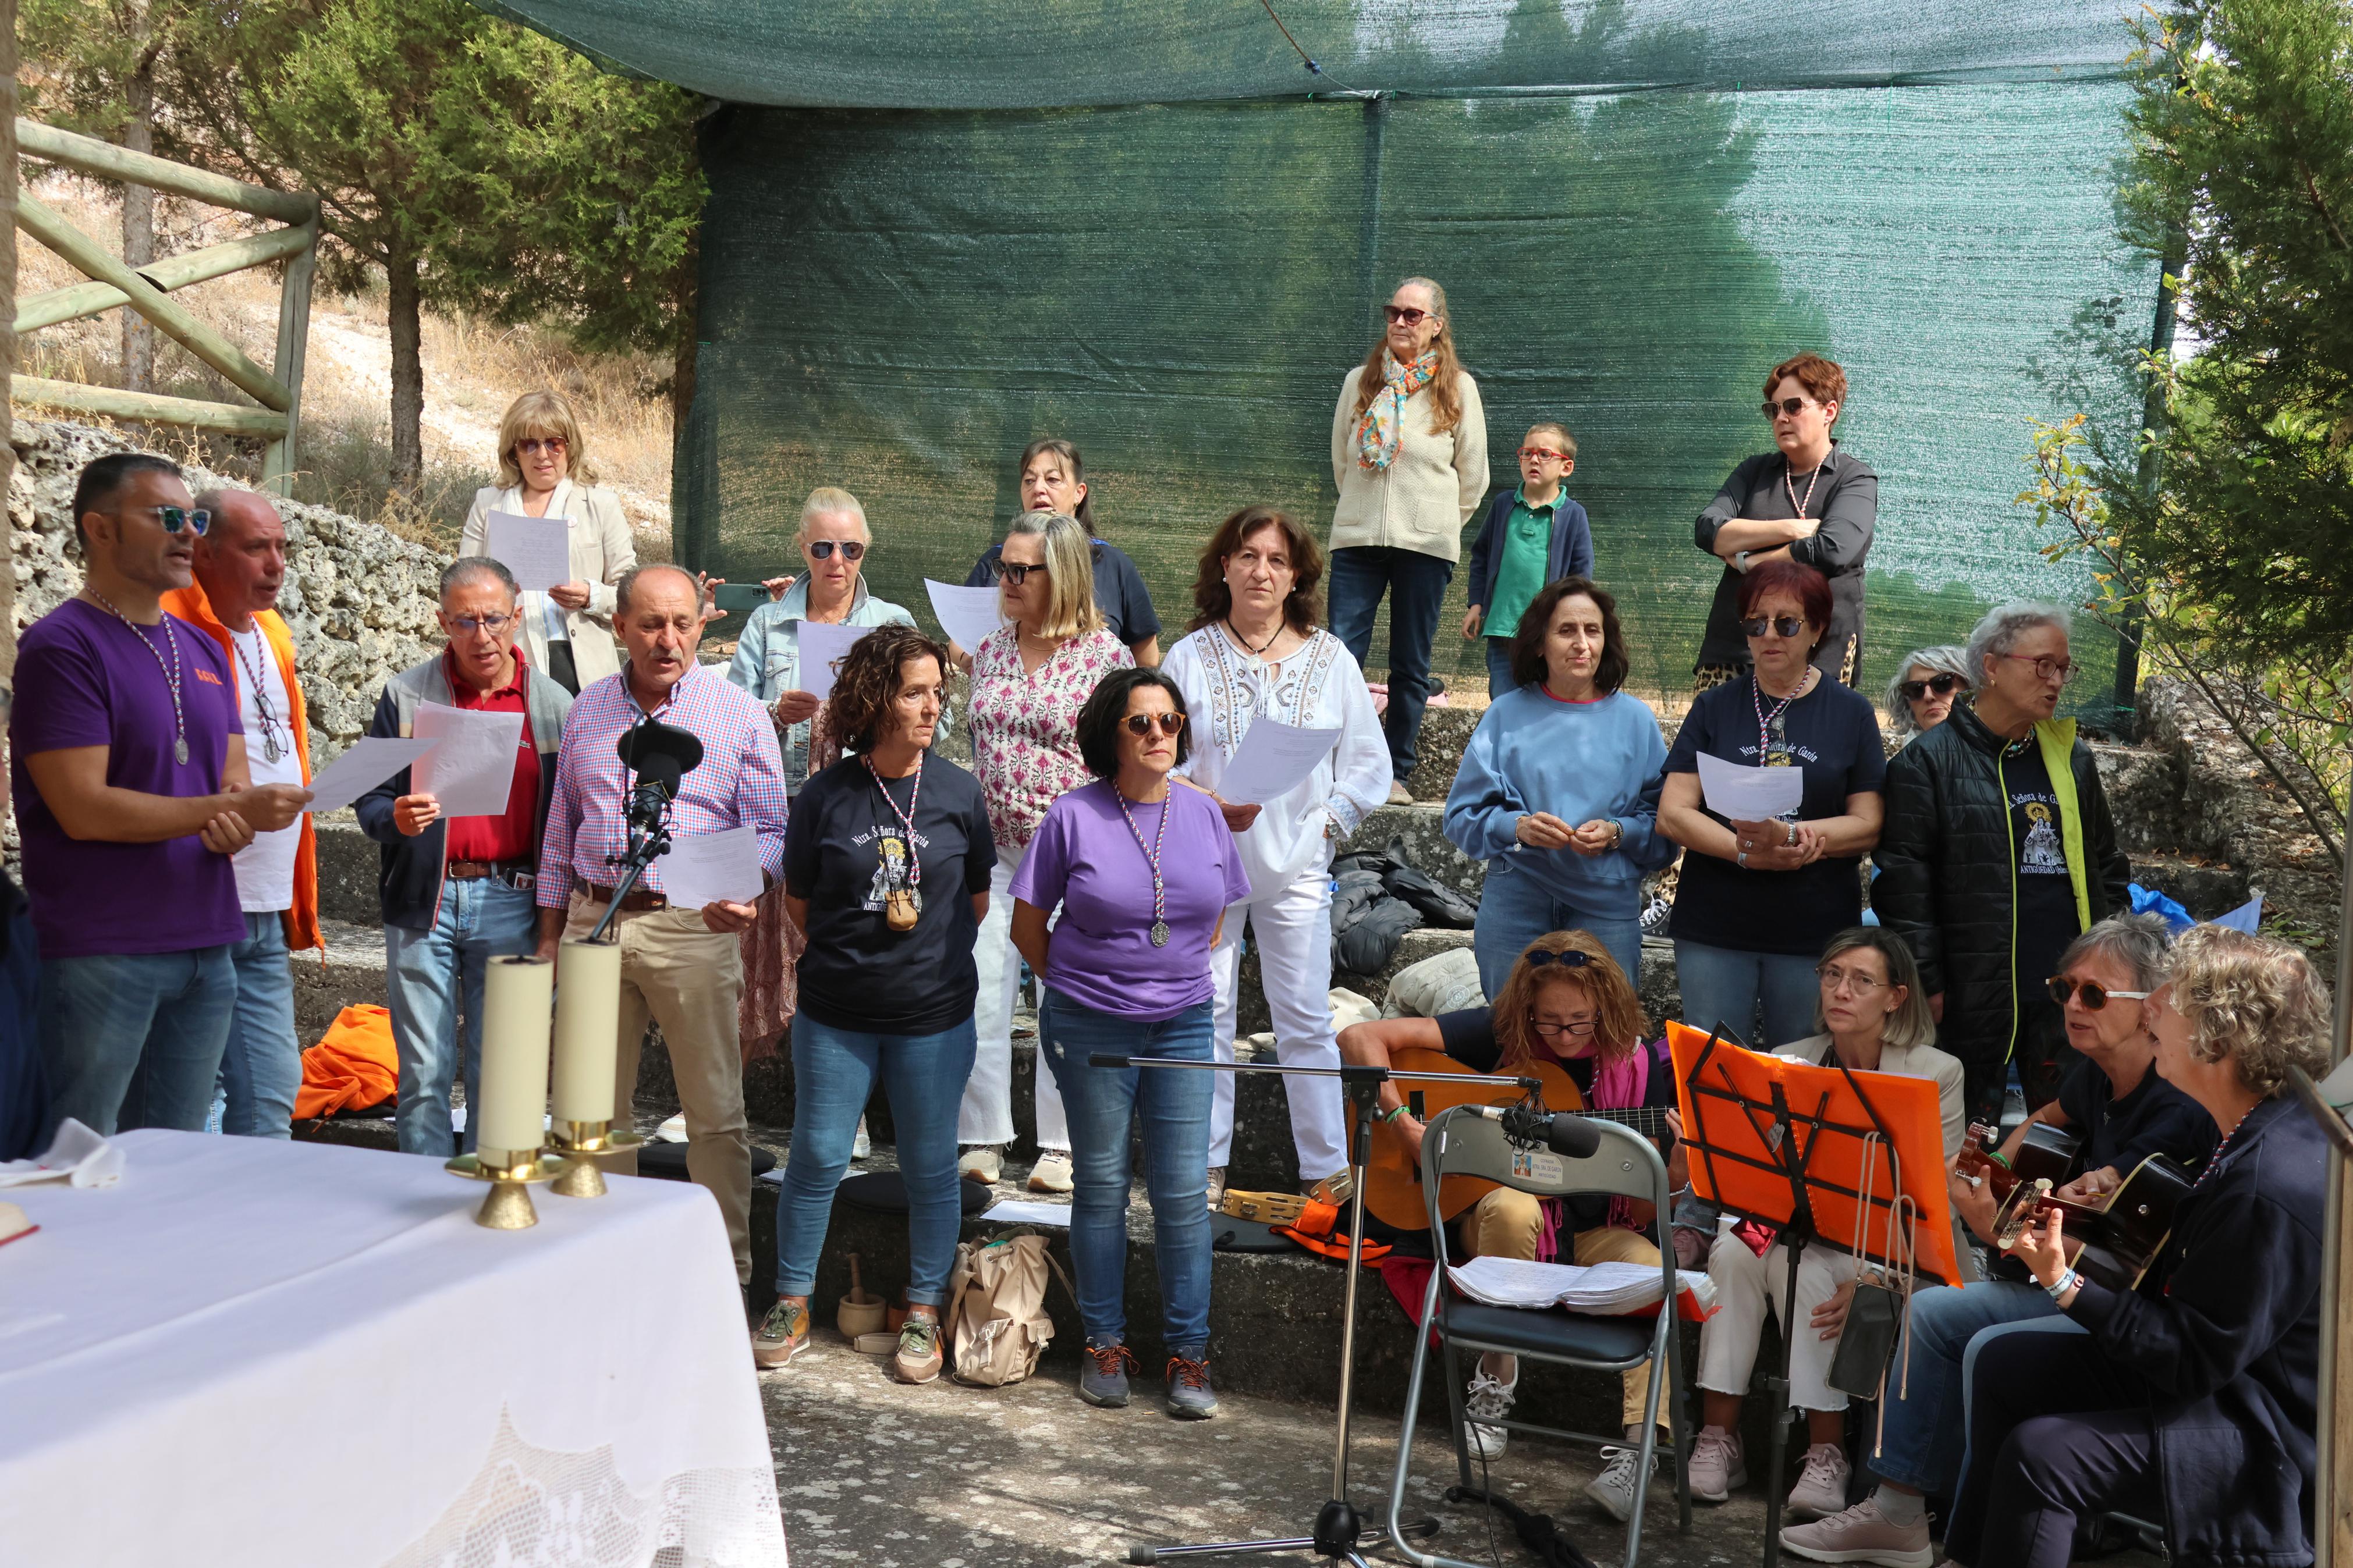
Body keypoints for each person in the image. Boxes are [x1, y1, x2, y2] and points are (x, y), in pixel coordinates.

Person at [1782, 914, 2214, 1568]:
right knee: (1931, 1312)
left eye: (2093, 995)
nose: (2072, 1004)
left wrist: (1993, 1224)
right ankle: (1896, 1516)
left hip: (2115, 1306)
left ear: (2151, 1005)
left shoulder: (2175, 1112)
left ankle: (1975, 1536)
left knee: (1983, 1342)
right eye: (2063, 988)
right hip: (2064, 1280)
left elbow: (2102, 1259)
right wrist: (1991, 1168)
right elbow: (2048, 1117)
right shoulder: (2095, 1073)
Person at [1943, 926, 2331, 1568]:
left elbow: (2189, 1360)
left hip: (2262, 1427)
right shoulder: (2236, 1125)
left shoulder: (2266, 1179)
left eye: (2168, 999)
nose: (2150, 1006)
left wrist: (2064, 1280)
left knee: (2043, 1456)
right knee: (2005, 1367)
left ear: (2219, 1033)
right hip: (2222, 1383)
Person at [1337, 931, 1683, 1522]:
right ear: (1525, 1008)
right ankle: (1495, 1381)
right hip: (1496, 1221)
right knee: (1513, 1206)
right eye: (1548, 1021)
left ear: (1605, 1005)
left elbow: (1649, 1212)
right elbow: (1356, 1036)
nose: (1565, 1034)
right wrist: (1401, 1123)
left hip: (1591, 1231)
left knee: (1656, 1270)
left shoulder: (1646, 1070)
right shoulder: (1499, 1033)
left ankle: (1637, 1448)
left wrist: (1675, 1164)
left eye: (1579, 1021)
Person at [12, 453, 310, 1139]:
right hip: (105, 946)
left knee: (175, 1162)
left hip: (209, 940)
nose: (187, 534)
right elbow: (83, 808)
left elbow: (232, 781)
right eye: (166, 516)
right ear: (101, 529)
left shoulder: (203, 650)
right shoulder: (62, 646)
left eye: (196, 518)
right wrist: (224, 811)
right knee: (79, 1155)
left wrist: (237, 818)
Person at [535, 564, 789, 1288]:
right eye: (649, 623)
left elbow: (773, 829)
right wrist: (552, 935)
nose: (666, 639)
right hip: (597, 915)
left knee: (713, 1111)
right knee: (590, 1109)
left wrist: (749, 889)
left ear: (704, 623)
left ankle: (724, 1272)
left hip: (694, 925)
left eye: (681, 622)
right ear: (619, 627)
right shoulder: (588, 709)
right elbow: (562, 829)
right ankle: (595, 1262)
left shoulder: (739, 712)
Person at [754, 625, 994, 1385]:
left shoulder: (959, 791)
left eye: (936, 691)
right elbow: (797, 903)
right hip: (837, 1014)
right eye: (914, 692)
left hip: (933, 1017)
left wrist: (916, 960)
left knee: (929, 1164)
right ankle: (791, 1298)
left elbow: (977, 900)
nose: (932, 706)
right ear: (873, 699)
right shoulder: (827, 793)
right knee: (819, 1153)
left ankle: (922, 1309)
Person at [1014, 667, 1249, 1417]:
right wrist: (1091, 992)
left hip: (1181, 1017)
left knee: (1183, 1194)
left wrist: (1160, 978)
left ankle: (1188, 1354)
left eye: (1169, 722)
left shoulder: (1204, 815)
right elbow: (1028, 927)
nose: (1157, 735)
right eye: (1139, 723)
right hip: (1088, 1021)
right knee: (1104, 1184)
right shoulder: (1072, 815)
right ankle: (1104, 1343)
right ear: (1109, 732)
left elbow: (1212, 918)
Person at [1676, 927, 1967, 1519]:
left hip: (1891, 1251)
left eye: (1861, 980)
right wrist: (1700, 1149)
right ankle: (1717, 1439)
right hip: (1791, 1223)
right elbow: (1757, 1175)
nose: (1840, 990)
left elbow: (1940, 1199)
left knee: (1804, 1269)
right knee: (1733, 1250)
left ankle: (1826, 1452)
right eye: (1831, 975)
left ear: (1894, 997)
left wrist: (1882, 1279)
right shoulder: (1788, 1059)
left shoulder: (1936, 1072)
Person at [1162, 506, 1389, 1206]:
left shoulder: (1330, 659)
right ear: (1222, 566)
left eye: (1277, 560)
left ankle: (1324, 1169)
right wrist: (1200, 801)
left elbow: (1366, 765)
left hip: (1298, 863)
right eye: (1247, 556)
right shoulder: (1188, 657)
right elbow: (1156, 760)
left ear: (1296, 578)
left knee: (1304, 1016)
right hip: (1206, 859)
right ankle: (1202, 1165)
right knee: (1208, 1011)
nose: (1261, 570)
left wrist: (1325, 825)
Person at [1875, 602, 2131, 1124]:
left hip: (2067, 992)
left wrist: (2112, 961)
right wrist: (1926, 983)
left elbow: (2106, 863)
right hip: (1972, 991)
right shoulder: (1925, 762)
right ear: (1990, 667)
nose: (2056, 680)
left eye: (2063, 667)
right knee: (1960, 1138)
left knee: (2067, 1136)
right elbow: (1905, 886)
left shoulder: (2071, 757)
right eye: (2042, 665)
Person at [356, 559, 572, 1158]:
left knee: (498, 1066)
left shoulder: (553, 703)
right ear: (441, 622)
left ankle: (487, 1194)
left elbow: (565, 819)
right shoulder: (406, 693)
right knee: (424, 1069)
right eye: (464, 621)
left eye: (494, 619)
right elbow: (369, 798)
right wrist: (394, 819)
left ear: (518, 616)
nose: (482, 636)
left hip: (512, 897)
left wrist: (553, 923)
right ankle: (421, 1194)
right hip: (425, 898)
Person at [958, 510, 1135, 1192]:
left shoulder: (1105, 658)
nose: (1002, 579)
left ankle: (1060, 1146)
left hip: (1077, 858)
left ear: (1058, 574)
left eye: (1017, 569)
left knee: (1068, 996)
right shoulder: (993, 647)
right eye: (1003, 565)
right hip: (996, 852)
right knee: (982, 988)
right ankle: (981, 1135)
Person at [1658, 560, 1886, 1049]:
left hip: (1813, 928)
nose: (1769, 635)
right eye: (1755, 623)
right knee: (1714, 1068)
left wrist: (1790, 837)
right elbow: (1674, 811)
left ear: (1817, 629)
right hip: (1715, 923)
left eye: (1787, 623)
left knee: (1801, 1070)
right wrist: (1745, 852)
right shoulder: (1714, 706)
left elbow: (1868, 824)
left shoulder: (1850, 712)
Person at [161, 488, 320, 1139]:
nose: (276, 563)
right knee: (183, 1103)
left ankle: (259, 1233)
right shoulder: (168, 626)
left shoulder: (272, 631)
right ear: (203, 548)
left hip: (264, 901)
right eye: (257, 547)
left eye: (282, 547)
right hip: (198, 900)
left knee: (273, 1089)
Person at [1446, 577, 1677, 993]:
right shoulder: (1504, 715)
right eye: (1566, 630)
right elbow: (1460, 817)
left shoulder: (1637, 721)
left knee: (1606, 1040)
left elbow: (1665, 829)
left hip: (1606, 907)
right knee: (1510, 1035)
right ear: (1539, 643)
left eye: (1592, 630)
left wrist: (1618, 833)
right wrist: (1516, 827)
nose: (1581, 643)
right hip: (1515, 899)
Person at [1326, 276, 1489, 802]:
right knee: (1340, 655)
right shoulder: (1360, 380)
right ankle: (1337, 768)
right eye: (1392, 311)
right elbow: (1341, 461)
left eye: (1412, 314)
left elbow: (1473, 477)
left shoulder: (1458, 388)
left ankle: (1394, 773)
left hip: (1425, 546)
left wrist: (1437, 525)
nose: (1399, 321)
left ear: (1437, 326)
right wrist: (1361, 513)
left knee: (1409, 663)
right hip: (1357, 539)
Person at [1692, 353, 1876, 691]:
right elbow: (1708, 530)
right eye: (1773, 410)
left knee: (1810, 746)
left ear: (1829, 411)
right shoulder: (1754, 472)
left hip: (1821, 658)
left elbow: (1832, 550)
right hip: (1735, 651)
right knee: (1721, 745)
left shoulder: (1855, 479)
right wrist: (1793, 529)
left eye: (1793, 407)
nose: (1781, 418)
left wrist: (1749, 561)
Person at [728, 486, 917, 794]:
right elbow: (731, 716)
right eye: (822, 548)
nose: (837, 560)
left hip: (869, 796)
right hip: (782, 798)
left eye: (851, 548)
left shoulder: (892, 623)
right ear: (803, 548)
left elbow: (936, 720)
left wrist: (883, 714)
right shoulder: (767, 623)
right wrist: (776, 713)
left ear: (865, 549)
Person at [459, 390, 636, 695]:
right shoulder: (488, 504)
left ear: (570, 447)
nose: (542, 455)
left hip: (580, 663)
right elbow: (463, 585)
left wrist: (590, 596)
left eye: (554, 443)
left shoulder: (601, 505)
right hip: (508, 659)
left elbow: (631, 594)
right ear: (513, 452)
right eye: (529, 444)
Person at [961, 439, 1163, 666]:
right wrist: (980, 662)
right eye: (1029, 480)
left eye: (1052, 480)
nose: (1038, 489)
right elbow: (958, 640)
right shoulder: (995, 560)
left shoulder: (1114, 565)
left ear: (1079, 493)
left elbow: (1146, 658)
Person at [1461, 422, 1593, 701]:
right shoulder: (1503, 505)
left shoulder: (1573, 515)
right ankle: (1506, 745)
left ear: (1565, 467)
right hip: (1502, 631)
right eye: (1527, 453)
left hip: (1549, 635)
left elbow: (1581, 575)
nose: (1534, 459)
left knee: (1546, 702)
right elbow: (1481, 556)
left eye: (1545, 454)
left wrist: (1570, 622)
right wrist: (1476, 604)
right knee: (1504, 702)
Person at [1884, 645, 1972, 738]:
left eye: (1942, 684)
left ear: (1970, 688)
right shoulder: (1911, 752)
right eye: (1916, 689)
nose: (1928, 696)